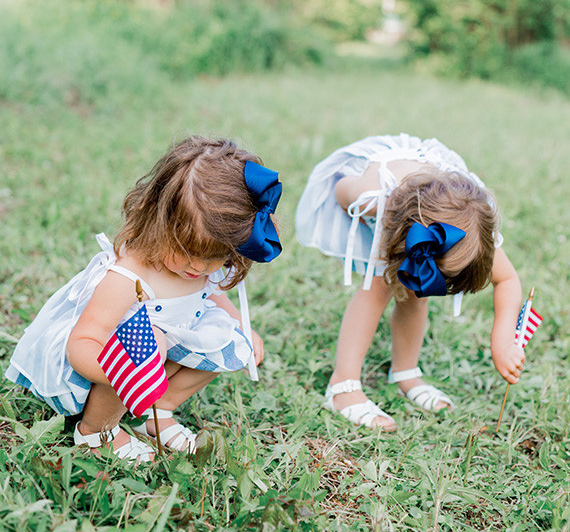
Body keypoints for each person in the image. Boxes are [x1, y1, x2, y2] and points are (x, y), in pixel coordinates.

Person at [7, 136, 283, 461]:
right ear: (159, 222)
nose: (199, 267)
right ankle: (97, 430)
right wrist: (126, 373)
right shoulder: (128, 276)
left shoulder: (202, 267)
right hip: (113, 359)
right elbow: (82, 342)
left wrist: (240, 326)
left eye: (216, 256)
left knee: (227, 340)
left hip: (169, 341)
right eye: (186, 251)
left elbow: (212, 295)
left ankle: (158, 412)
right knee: (143, 344)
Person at [295, 132, 523, 431]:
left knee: (416, 294)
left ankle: (405, 372)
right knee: (376, 287)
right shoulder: (372, 197)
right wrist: (365, 202)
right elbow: (340, 189)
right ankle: (343, 387)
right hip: (377, 200)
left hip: (424, 204)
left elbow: (507, 279)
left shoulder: (475, 229)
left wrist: (502, 340)